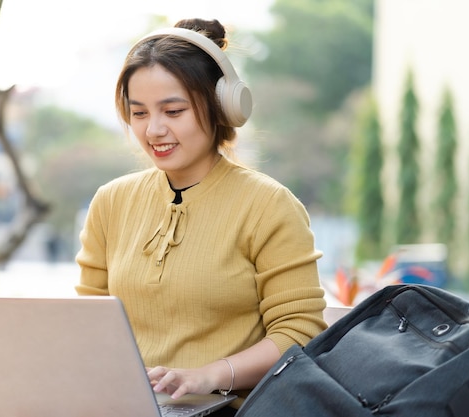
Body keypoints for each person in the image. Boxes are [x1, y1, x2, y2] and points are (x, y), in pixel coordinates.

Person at [75, 18, 327, 415]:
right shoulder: (110, 202)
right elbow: (85, 324)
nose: (154, 130)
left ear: (221, 107)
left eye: (173, 111)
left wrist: (209, 375)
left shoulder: (268, 206)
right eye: (138, 114)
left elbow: (300, 334)